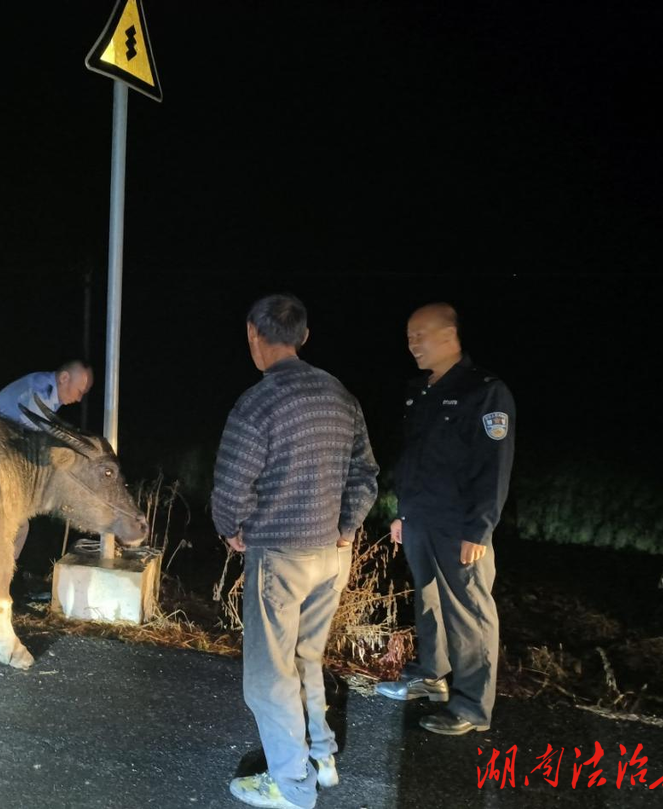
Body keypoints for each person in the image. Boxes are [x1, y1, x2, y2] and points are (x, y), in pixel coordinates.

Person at [212, 294, 379, 809]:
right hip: (331, 554)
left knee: (268, 677)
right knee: (307, 657)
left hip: (281, 556)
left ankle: (292, 786)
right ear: (303, 337)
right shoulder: (339, 395)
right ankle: (321, 758)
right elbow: (365, 474)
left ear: (251, 334)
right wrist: (347, 527)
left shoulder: (258, 402)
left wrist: (231, 527)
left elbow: (230, 484)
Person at [376, 302, 515, 736]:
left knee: (470, 612)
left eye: (420, 334)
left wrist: (480, 527)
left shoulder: (485, 391)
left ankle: (472, 706)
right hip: (420, 518)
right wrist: (402, 513)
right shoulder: (419, 390)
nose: (412, 343)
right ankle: (430, 676)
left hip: (459, 525)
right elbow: (413, 458)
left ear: (450, 335)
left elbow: (494, 465)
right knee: (428, 600)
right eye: (408, 336)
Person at [0, 360, 93, 608]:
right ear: (65, 378)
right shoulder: (40, 396)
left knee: (18, 525)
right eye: (79, 391)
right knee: (13, 526)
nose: (78, 399)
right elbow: (34, 446)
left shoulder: (42, 388)